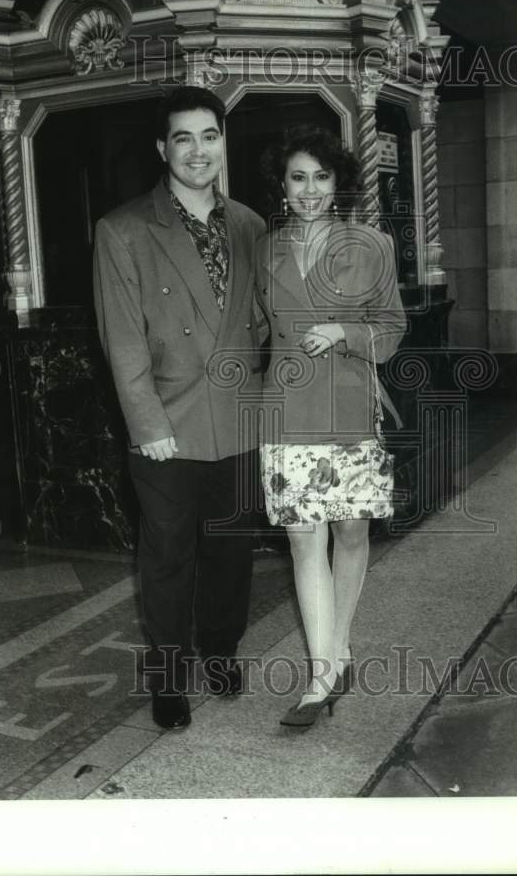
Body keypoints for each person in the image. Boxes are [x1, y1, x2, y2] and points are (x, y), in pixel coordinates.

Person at [93, 86, 266, 730]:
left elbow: (260, 323)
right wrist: (147, 426)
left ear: (224, 142)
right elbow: (122, 338)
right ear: (162, 148)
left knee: (231, 552)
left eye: (210, 136)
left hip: (239, 420)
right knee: (168, 558)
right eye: (183, 138)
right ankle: (169, 676)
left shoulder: (250, 224)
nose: (198, 151)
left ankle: (220, 652)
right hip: (167, 425)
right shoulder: (125, 229)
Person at [256, 124, 406, 728]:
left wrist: (346, 331)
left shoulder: (370, 245)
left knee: (349, 535)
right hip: (286, 407)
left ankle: (338, 644)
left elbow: (392, 329)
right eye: (298, 177)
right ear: (282, 184)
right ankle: (321, 675)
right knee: (302, 538)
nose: (310, 189)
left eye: (321, 176)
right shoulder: (264, 249)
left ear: (338, 181)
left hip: (348, 405)